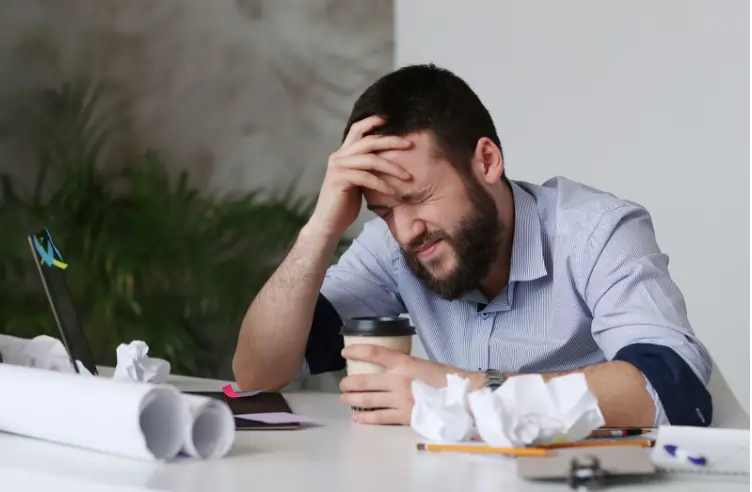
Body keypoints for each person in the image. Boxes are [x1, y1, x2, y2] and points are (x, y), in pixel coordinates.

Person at [232, 64, 713, 428]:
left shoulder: (596, 232)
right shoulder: (394, 246)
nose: (405, 231)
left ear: (486, 161)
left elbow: (674, 390)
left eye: (418, 197)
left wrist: (463, 392)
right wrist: (321, 228)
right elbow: (259, 372)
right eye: (383, 211)